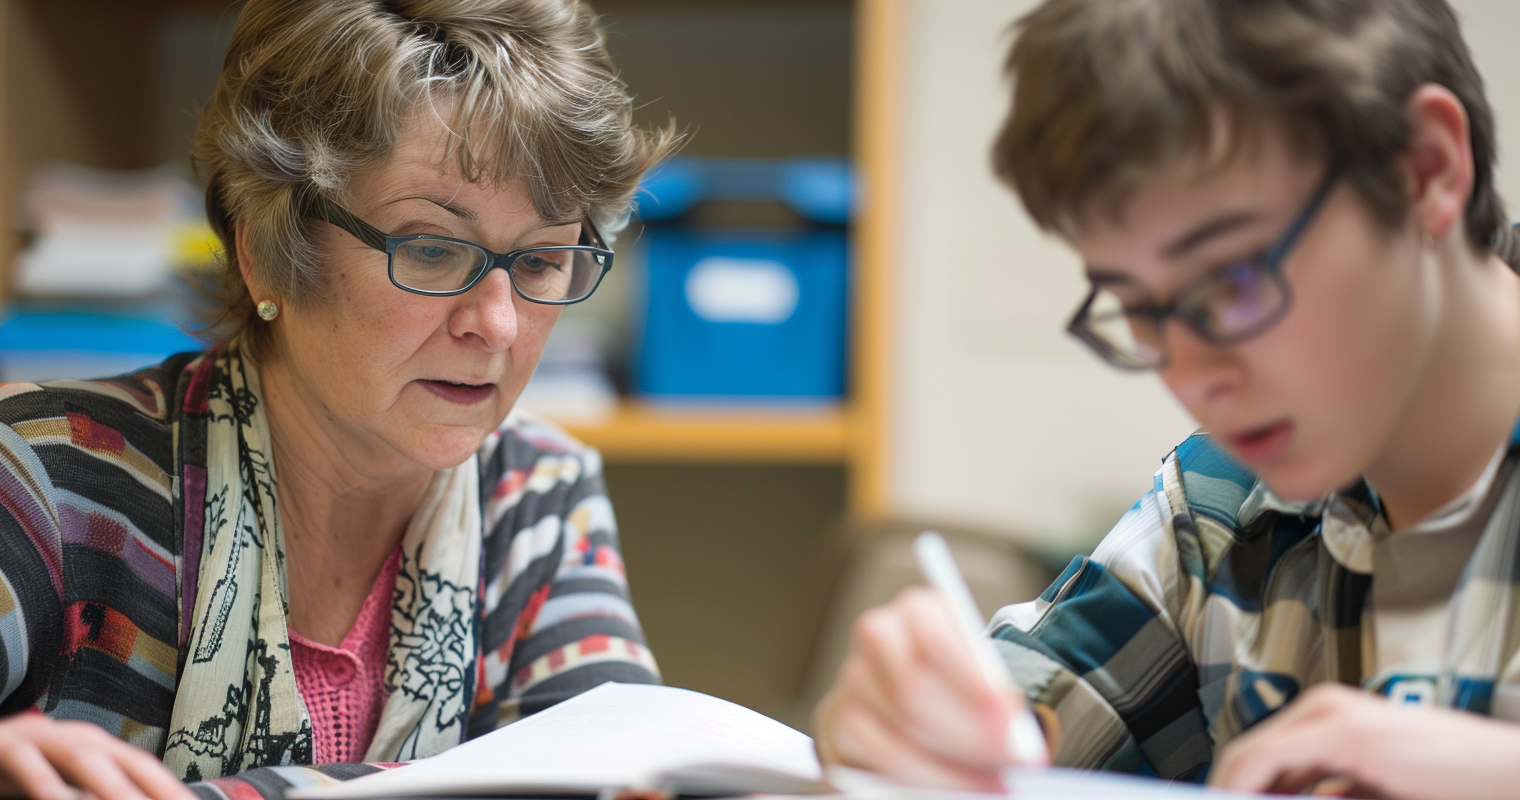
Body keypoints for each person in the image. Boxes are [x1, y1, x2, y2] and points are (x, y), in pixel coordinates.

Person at [815, 0, 1520, 797]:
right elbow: (1039, 703)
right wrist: (918, 730)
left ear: (1424, 169)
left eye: (1230, 283)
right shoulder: (1219, 507)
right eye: (1140, 310)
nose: (1189, 375)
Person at [0, 1, 676, 799]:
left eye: (541, 261)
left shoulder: (536, 493)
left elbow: (615, 771)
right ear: (266, 251)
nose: (497, 324)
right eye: (430, 247)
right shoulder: (49, 477)